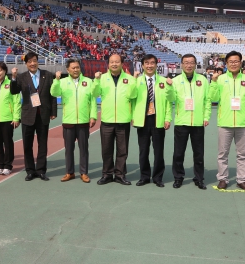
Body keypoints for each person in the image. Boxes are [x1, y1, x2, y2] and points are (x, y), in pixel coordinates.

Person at [209, 50, 245, 191]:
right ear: (226, 64)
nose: (233, 64)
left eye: (236, 61)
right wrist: (213, 82)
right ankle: (223, 179)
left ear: (240, 63)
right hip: (225, 123)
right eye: (230, 61)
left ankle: (241, 180)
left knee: (242, 154)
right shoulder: (220, 79)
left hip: (243, 123)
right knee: (222, 154)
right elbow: (213, 98)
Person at [10, 52, 57, 181]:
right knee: (27, 145)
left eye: (34, 60)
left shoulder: (47, 75)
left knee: (42, 145)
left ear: (38, 61)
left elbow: (52, 95)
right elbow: (14, 91)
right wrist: (13, 77)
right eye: (29, 61)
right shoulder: (21, 77)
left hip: (43, 115)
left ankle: (41, 170)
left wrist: (53, 112)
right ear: (26, 64)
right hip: (27, 115)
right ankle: (30, 170)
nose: (32, 63)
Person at [50, 58, 97, 183]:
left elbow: (92, 101)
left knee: (83, 149)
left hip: (83, 121)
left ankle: (84, 173)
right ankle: (69, 172)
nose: (76, 70)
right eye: (73, 68)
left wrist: (93, 116)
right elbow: (54, 93)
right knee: (68, 149)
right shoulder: (63, 82)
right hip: (68, 121)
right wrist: (56, 80)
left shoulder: (88, 81)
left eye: (77, 67)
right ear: (68, 69)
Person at [94, 54, 138, 185]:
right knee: (106, 150)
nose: (114, 64)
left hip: (123, 120)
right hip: (107, 120)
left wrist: (134, 81)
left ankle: (120, 175)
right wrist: (96, 80)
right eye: (111, 62)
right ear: (108, 64)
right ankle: (107, 174)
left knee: (122, 151)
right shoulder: (101, 78)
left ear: (122, 63)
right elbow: (95, 94)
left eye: (117, 62)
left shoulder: (129, 79)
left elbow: (133, 95)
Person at [132, 54, 174, 187]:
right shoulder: (136, 81)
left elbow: (169, 102)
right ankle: (144, 176)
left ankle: (157, 177)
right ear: (142, 65)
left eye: (152, 63)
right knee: (143, 150)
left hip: (158, 119)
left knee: (158, 150)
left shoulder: (163, 81)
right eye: (146, 63)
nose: (149, 66)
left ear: (156, 65)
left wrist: (167, 118)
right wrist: (133, 117)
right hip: (143, 120)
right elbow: (131, 98)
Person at [171, 54, 211, 190]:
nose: (189, 65)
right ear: (181, 64)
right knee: (178, 153)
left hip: (198, 123)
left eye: (191, 63)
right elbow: (171, 99)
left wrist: (206, 117)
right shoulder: (175, 81)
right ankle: (178, 177)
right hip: (181, 121)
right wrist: (168, 87)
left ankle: (199, 178)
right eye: (186, 63)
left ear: (195, 64)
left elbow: (207, 100)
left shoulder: (203, 80)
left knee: (199, 153)